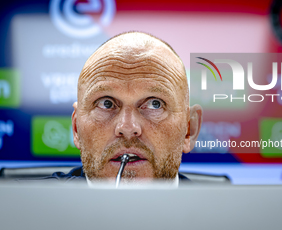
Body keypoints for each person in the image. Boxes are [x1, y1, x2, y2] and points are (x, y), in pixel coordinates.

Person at [47, 31, 202, 186]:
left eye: (155, 104)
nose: (127, 128)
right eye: (106, 104)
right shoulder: (26, 207)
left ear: (189, 130)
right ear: (76, 129)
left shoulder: (223, 209)